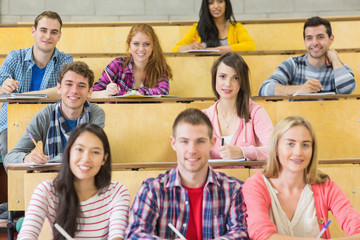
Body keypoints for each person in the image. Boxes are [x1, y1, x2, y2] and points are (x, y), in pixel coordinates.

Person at [125, 108, 248, 239]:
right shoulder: (152, 189)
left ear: (212, 144)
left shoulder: (233, 189)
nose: (192, 150)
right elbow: (135, 234)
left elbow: (241, 233)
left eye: (200, 141)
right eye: (184, 141)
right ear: (173, 143)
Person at [243, 116, 360, 240]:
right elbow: (261, 235)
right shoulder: (256, 185)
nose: (298, 152)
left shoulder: (326, 186)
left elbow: (356, 227)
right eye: (290, 144)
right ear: (276, 148)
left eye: (305, 145)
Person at [17, 123, 130, 240]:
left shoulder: (118, 192)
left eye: (95, 152)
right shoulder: (46, 190)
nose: (86, 159)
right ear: (69, 152)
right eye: (79, 149)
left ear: (104, 159)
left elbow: (117, 236)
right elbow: (26, 235)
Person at [3, 61, 105, 171]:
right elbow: (10, 157)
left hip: (85, 177)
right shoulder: (44, 115)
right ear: (59, 88)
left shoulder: (96, 113)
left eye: (81, 86)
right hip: (50, 180)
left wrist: (50, 161)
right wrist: (26, 158)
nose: (74, 91)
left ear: (89, 92)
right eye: (68, 84)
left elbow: (88, 154)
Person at [0, 11, 73, 160]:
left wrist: (22, 96)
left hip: (50, 122)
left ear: (59, 36)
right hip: (13, 121)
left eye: (53, 32)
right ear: (33, 31)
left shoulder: (65, 60)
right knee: (8, 146)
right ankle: (18, 184)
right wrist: (3, 87)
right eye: (43, 30)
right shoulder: (16, 57)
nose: (48, 36)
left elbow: (65, 90)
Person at [259, 16, 356, 96]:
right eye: (309, 38)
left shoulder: (339, 67)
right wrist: (300, 89)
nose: (315, 43)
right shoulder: (292, 64)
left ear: (331, 39)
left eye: (320, 37)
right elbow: (264, 90)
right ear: (305, 41)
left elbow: (347, 89)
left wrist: (334, 58)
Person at [202, 52, 274, 161]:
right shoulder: (204, 117)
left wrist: (243, 152)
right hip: (214, 178)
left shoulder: (256, 112)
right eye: (222, 76)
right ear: (214, 78)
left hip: (248, 177)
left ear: (242, 81)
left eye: (235, 78)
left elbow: (274, 149)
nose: (228, 83)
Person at [91, 23, 172, 97]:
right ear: (129, 45)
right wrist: (106, 92)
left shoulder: (160, 67)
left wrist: (130, 93)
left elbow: (163, 92)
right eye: (136, 44)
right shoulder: (118, 64)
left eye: (146, 44)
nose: (141, 49)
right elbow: (92, 94)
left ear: (153, 46)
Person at [172, 0, 255, 52]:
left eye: (220, 1)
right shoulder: (197, 28)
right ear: (206, 7)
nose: (216, 6)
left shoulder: (236, 27)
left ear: (226, 4)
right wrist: (191, 47)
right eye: (211, 2)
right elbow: (175, 49)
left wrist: (216, 50)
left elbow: (250, 46)